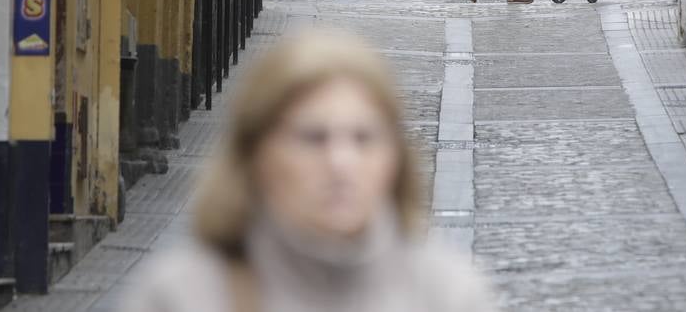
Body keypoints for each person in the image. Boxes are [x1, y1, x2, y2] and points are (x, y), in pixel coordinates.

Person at [119, 31, 498, 312]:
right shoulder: (183, 296)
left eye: (364, 138)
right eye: (312, 138)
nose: (340, 163)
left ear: (395, 159)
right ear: (257, 153)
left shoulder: (445, 295)